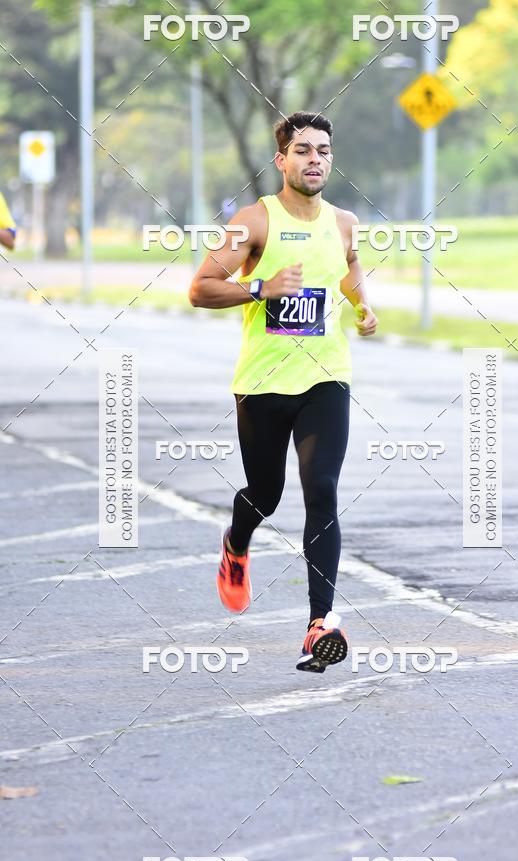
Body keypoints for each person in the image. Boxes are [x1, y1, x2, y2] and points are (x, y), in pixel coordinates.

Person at [189, 111, 377, 673]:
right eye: (302, 150)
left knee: (321, 489)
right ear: (282, 160)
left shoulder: (343, 222)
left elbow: (348, 266)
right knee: (265, 495)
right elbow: (201, 288)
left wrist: (364, 305)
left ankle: (318, 623)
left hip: (326, 377)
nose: (313, 158)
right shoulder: (255, 221)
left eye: (322, 150)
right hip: (264, 381)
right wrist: (260, 288)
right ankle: (237, 541)